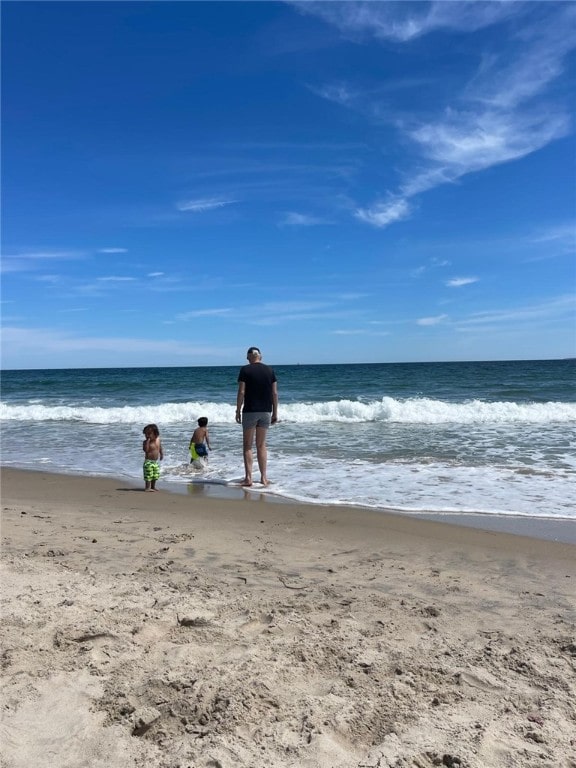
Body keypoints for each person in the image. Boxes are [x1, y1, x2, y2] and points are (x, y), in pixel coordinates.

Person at [236, 346, 278, 487]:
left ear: (249, 357)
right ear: (260, 356)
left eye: (247, 358)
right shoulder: (270, 370)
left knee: (248, 446)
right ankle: (264, 478)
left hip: (250, 411)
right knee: (261, 445)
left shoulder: (245, 370)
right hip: (266, 411)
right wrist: (275, 412)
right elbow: (275, 394)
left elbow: (242, 392)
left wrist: (237, 410)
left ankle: (248, 478)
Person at [142, 423, 163, 491]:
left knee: (155, 475)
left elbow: (160, 447)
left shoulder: (158, 440)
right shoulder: (145, 442)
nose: (147, 435)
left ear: (155, 434)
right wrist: (147, 442)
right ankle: (147, 487)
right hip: (148, 462)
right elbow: (146, 450)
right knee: (148, 475)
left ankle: (153, 486)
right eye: (145, 434)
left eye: (149, 433)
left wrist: (161, 454)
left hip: (155, 462)